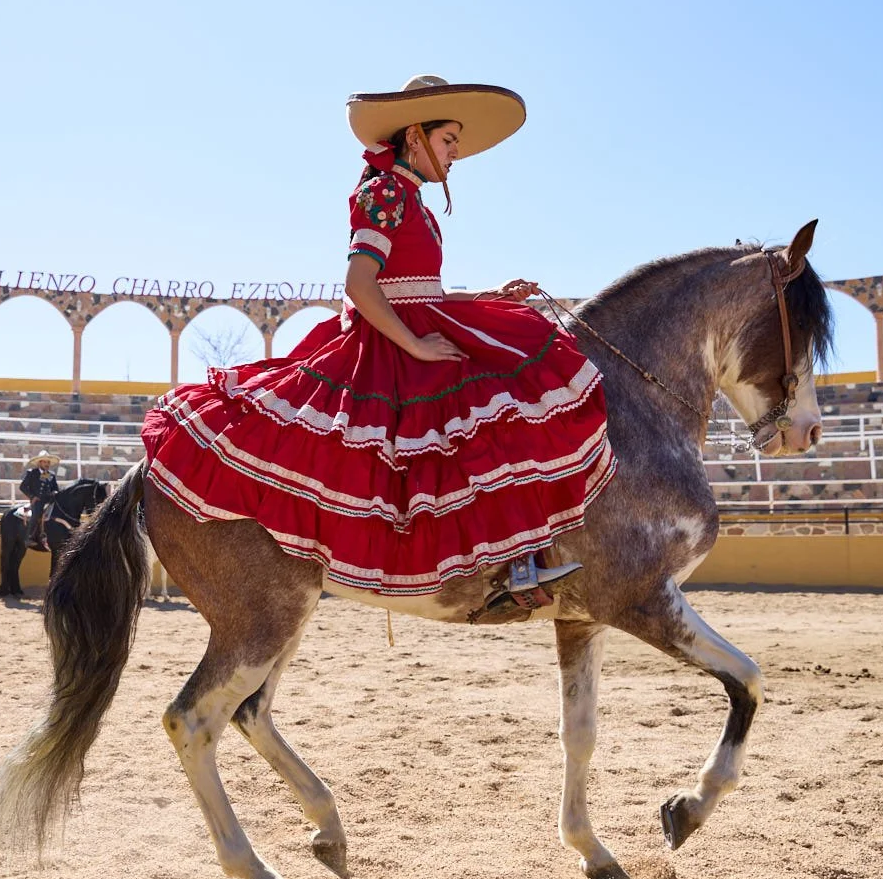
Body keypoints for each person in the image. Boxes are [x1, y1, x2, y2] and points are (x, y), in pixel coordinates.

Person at [141, 75, 616, 610]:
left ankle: (518, 563)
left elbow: (416, 290)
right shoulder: (385, 192)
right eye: (448, 140)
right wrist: (415, 347)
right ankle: (515, 566)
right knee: (500, 405)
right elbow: (359, 285)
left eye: (456, 142)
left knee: (499, 405)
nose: (456, 152)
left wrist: (485, 297)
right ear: (416, 135)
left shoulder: (412, 199)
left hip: (417, 325)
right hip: (391, 350)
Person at [20, 450, 60, 552]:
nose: (47, 464)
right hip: (37, 501)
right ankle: (29, 537)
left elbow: (55, 488)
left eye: (48, 462)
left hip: (50, 500)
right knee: (36, 514)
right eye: (45, 462)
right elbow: (23, 486)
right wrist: (32, 496)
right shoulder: (32, 473)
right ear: (40, 463)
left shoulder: (51, 475)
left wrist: (54, 492)